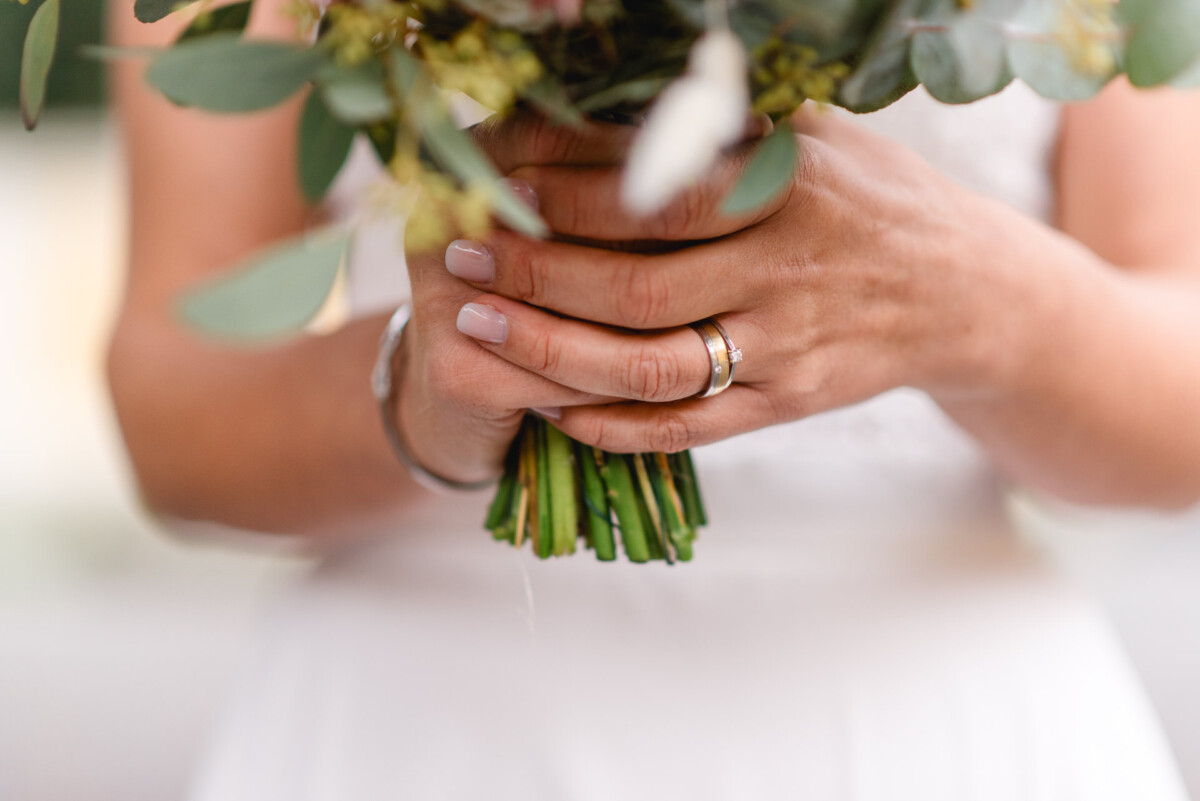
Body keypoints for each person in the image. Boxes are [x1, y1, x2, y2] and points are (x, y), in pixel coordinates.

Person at [109, 0, 1200, 798]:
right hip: (421, 725)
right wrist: (427, 389)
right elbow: (174, 409)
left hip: (934, 720)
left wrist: (965, 301)